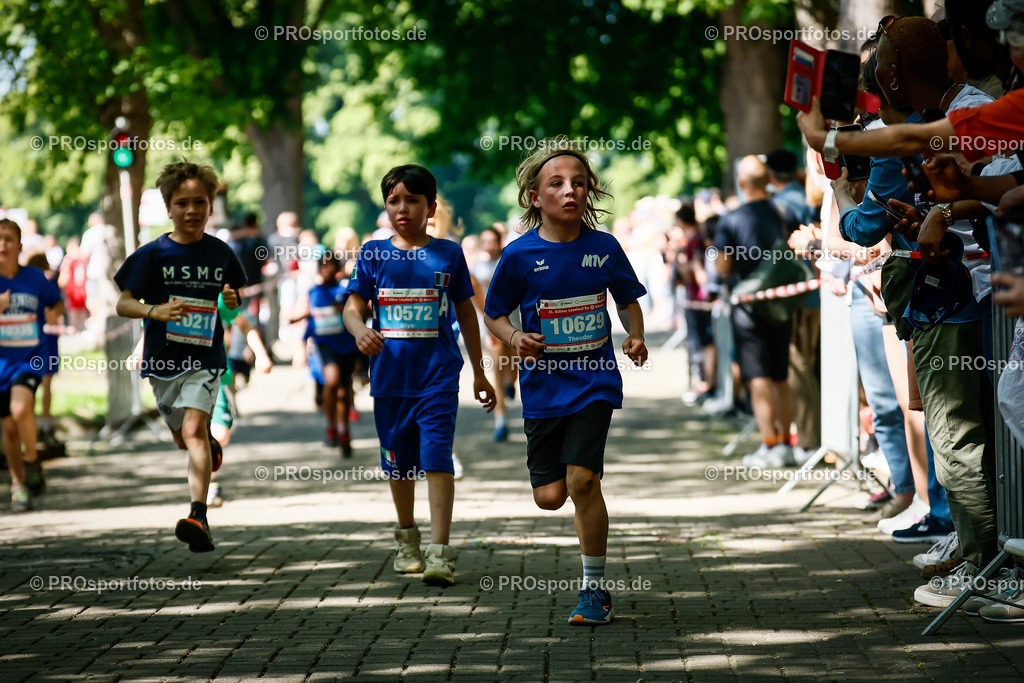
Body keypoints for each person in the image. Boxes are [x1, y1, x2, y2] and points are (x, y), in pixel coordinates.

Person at [483, 138, 648, 626]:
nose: (569, 190)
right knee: (550, 496)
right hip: (542, 389)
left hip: (595, 382)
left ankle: (594, 589)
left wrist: (635, 335)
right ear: (535, 197)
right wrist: (514, 337)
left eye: (578, 182)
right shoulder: (518, 256)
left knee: (583, 481)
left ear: (589, 191)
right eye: (556, 183)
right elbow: (493, 314)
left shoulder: (604, 246)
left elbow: (627, 298)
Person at [344, 164, 496, 587]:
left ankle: (440, 552)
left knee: (436, 458)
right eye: (394, 201)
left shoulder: (448, 254)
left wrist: (481, 374)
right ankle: (407, 539)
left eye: (412, 200)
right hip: (390, 380)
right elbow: (353, 306)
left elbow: (467, 311)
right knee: (397, 463)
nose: (403, 208)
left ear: (430, 207)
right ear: (385, 207)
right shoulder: (373, 254)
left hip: (439, 377)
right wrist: (360, 331)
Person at [114, 160, 247, 553]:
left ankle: (198, 515)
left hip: (205, 359)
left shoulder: (221, 253)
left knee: (191, 432)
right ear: (169, 208)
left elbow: (233, 300)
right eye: (182, 202)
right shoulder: (153, 254)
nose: (191, 210)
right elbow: (123, 304)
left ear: (211, 206)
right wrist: (154, 311)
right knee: (183, 437)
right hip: (162, 361)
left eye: (200, 202)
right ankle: (210, 446)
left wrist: (230, 299)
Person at [715, 155, 796, 468]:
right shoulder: (783, 212)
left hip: (748, 307)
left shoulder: (731, 219)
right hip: (782, 303)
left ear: (742, 183)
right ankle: (787, 444)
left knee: (757, 376)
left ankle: (769, 444)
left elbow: (722, 265)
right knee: (780, 376)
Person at [0, 219, 63, 512]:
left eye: (9, 239)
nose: (2, 245)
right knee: (9, 430)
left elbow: (57, 302)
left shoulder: (35, 278)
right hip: (1, 364)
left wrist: (53, 313)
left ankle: (32, 460)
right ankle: (19, 484)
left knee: (21, 409)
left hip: (28, 359)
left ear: (19, 245)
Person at [292, 250, 358, 457]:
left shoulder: (346, 289)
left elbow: (364, 310)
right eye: (323, 265)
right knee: (331, 381)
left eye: (331, 265)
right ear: (319, 269)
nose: (327, 269)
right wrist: (301, 347)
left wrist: (347, 309)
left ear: (338, 268)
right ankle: (331, 425)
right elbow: (311, 320)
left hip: (347, 345)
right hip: (324, 344)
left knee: (345, 389)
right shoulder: (313, 292)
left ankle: (344, 429)